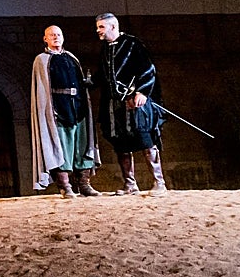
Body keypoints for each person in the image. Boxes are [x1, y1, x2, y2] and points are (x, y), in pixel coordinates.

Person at [94, 12, 168, 195]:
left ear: (112, 27)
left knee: (145, 139)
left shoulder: (133, 44)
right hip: (114, 104)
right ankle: (130, 184)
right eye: (98, 27)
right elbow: (102, 76)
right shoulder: (105, 49)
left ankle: (159, 183)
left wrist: (142, 91)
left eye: (101, 27)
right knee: (121, 143)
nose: (98, 31)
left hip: (134, 102)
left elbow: (148, 69)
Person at [31, 24, 101, 198]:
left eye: (59, 34)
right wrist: (49, 110)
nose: (56, 37)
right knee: (61, 147)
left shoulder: (71, 57)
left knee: (82, 145)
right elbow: (42, 89)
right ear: (45, 39)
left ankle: (84, 184)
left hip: (78, 106)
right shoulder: (42, 59)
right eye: (52, 35)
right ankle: (65, 186)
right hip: (58, 109)